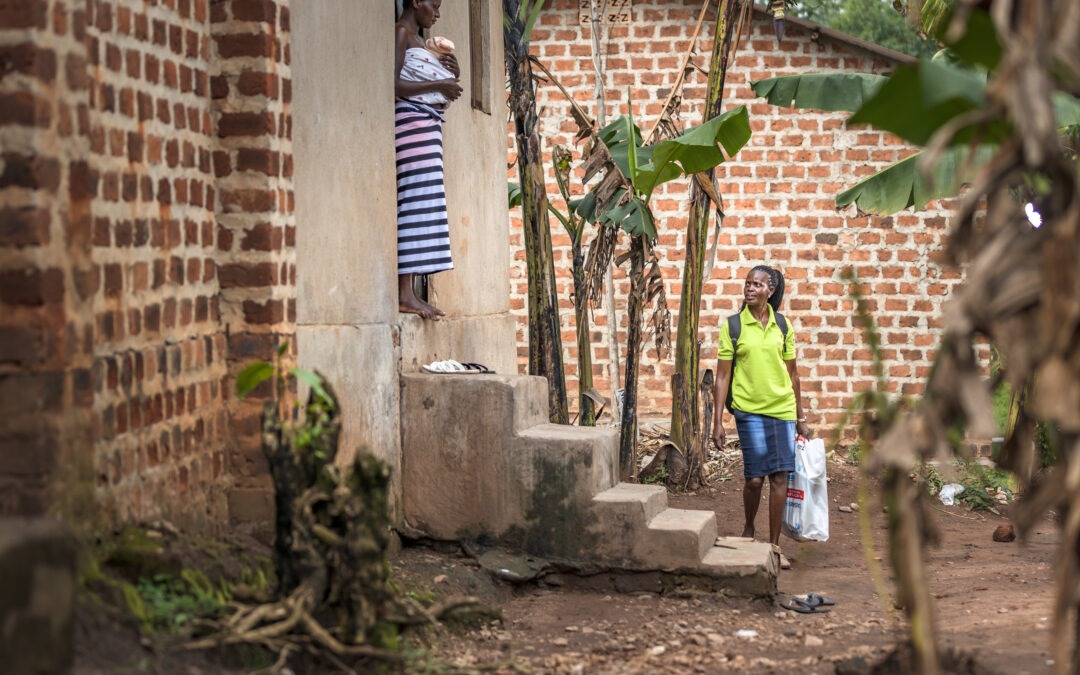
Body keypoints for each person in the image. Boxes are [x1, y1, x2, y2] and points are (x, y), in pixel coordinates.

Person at [711, 265, 812, 563]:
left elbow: (793, 374)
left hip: (782, 410)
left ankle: (774, 547)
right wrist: (717, 421)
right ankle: (748, 527)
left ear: (770, 291)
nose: (750, 288)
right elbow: (721, 377)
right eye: (747, 283)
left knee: (779, 478)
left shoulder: (783, 325)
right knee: (755, 479)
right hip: (749, 411)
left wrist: (801, 417)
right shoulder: (733, 326)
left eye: (757, 284)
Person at [394, 0, 462, 320]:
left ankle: (410, 294)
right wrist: (439, 84)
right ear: (415, 1)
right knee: (412, 204)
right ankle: (405, 294)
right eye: (433, 5)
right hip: (411, 129)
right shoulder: (402, 33)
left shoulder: (420, 41)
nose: (437, 13)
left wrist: (450, 73)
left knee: (425, 206)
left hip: (427, 129)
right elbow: (395, 85)